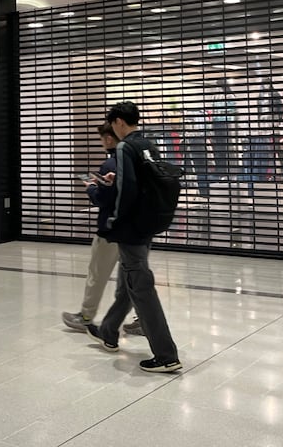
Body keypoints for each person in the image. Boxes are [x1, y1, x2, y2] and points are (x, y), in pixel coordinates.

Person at [86, 101, 181, 373]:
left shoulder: (126, 146)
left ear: (118, 122)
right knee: (131, 281)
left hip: (132, 227)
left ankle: (166, 354)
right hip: (149, 222)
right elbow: (142, 182)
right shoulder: (148, 144)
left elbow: (126, 191)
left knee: (140, 286)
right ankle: (108, 329)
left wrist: (114, 219)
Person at [62, 123, 142, 335]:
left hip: (110, 229)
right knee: (133, 278)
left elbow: (103, 200)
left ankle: (86, 316)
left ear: (108, 138)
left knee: (97, 274)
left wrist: (91, 189)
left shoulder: (110, 165)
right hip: (134, 229)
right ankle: (143, 319)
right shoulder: (136, 160)